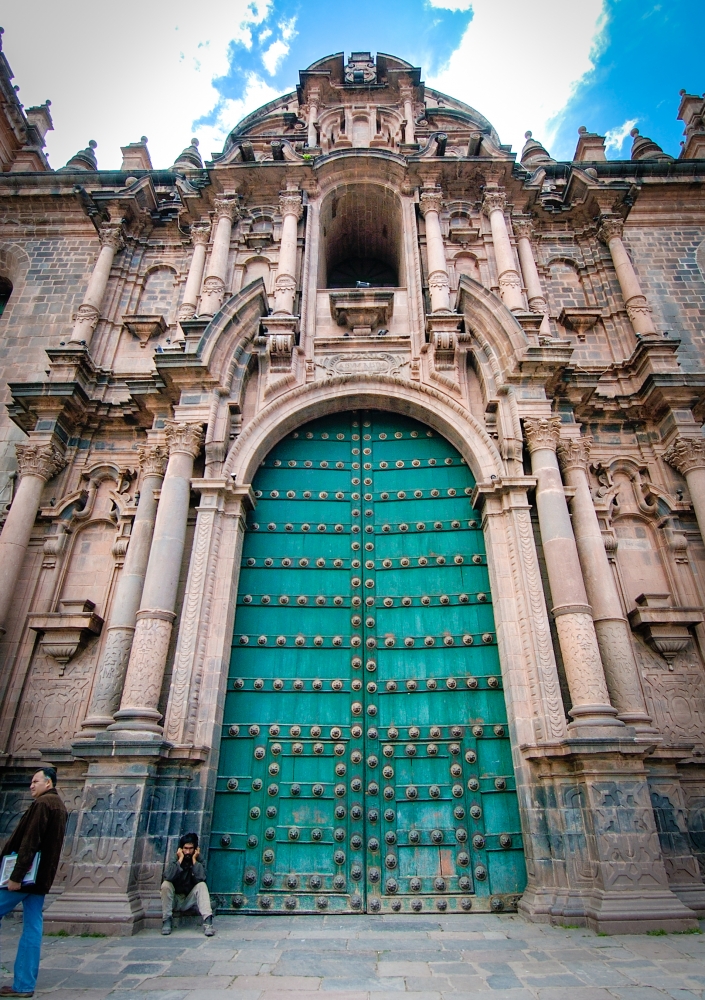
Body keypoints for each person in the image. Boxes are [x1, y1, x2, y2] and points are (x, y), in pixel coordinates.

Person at [0, 767, 68, 998]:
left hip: (25, 878)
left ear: (48, 783)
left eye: (35, 781)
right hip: (40, 879)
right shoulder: (59, 806)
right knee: (32, 928)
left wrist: (16, 877)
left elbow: (30, 842)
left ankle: (23, 984)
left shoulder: (43, 804)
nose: (31, 785)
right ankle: (24, 984)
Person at [160, 833, 213, 936]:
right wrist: (179, 860)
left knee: (202, 885)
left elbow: (201, 877)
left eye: (191, 848)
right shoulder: (176, 858)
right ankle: (166, 920)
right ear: (181, 849)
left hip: (188, 900)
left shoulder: (199, 859)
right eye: (185, 848)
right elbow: (168, 876)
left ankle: (208, 923)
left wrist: (194, 861)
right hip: (174, 899)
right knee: (166, 885)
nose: (188, 852)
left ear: (195, 849)